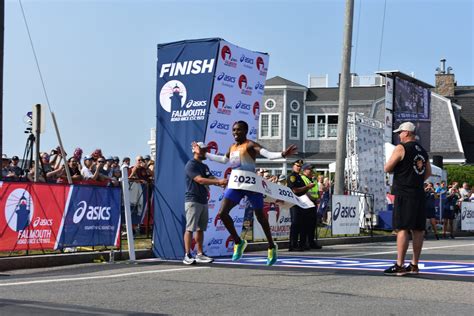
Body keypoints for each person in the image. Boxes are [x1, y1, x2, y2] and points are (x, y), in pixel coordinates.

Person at [204, 120, 297, 266]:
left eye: (239, 130)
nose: (235, 133)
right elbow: (223, 160)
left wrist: (283, 154)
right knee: (222, 213)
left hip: (251, 184)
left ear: (245, 131)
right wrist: (207, 154)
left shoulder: (250, 144)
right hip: (236, 184)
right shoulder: (233, 147)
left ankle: (272, 246)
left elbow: (267, 154)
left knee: (260, 216)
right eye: (234, 130)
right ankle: (238, 242)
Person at [384, 122, 431, 276]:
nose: (399, 135)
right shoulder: (423, 151)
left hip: (404, 192)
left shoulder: (401, 148)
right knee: (418, 229)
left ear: (407, 133)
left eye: (400, 132)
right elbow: (427, 173)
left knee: (402, 228)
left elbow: (387, 167)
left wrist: (403, 173)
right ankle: (414, 265)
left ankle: (400, 265)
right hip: (418, 192)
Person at [183, 142, 228, 265]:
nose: (205, 152)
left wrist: (224, 183)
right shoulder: (190, 165)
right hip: (192, 200)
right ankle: (187, 255)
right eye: (202, 150)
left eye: (206, 150)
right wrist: (219, 181)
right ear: (195, 151)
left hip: (203, 200)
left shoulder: (204, 166)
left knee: (200, 229)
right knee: (190, 228)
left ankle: (200, 254)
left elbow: (211, 178)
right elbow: (200, 180)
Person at [287, 160, 315, 251]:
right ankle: (292, 245)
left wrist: (307, 189)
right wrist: (307, 187)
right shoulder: (292, 177)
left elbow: (303, 190)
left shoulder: (299, 177)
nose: (299, 168)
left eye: (300, 166)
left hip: (302, 202)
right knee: (295, 224)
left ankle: (301, 244)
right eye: (297, 166)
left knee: (302, 224)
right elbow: (294, 190)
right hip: (294, 202)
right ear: (293, 166)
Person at [299, 163, 322, 249]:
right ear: (304, 170)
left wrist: (318, 198)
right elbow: (305, 191)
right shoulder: (303, 178)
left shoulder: (313, 179)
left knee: (312, 225)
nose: (312, 171)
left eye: (312, 169)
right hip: (306, 203)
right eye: (310, 169)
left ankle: (311, 242)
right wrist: (313, 199)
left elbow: (316, 190)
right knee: (305, 225)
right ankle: (304, 243)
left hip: (314, 203)